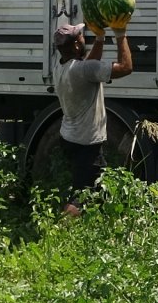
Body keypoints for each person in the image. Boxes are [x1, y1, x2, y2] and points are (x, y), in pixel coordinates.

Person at [52, 19, 134, 216]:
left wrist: (100, 38)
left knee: (93, 186)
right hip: (86, 143)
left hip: (70, 137)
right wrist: (120, 34)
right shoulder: (83, 70)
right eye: (82, 36)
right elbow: (126, 67)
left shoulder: (62, 66)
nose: (84, 38)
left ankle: (96, 222)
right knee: (82, 194)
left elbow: (90, 64)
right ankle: (59, 235)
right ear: (77, 45)